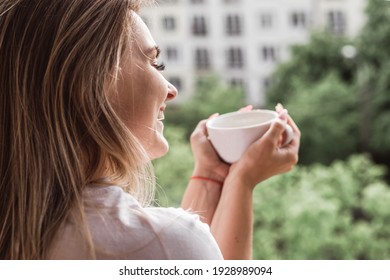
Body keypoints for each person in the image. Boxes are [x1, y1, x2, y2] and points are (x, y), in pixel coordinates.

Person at [0, 0, 300, 260]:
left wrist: (212, 177)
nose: (171, 91)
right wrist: (243, 181)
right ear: (90, 82)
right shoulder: (149, 244)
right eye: (155, 63)